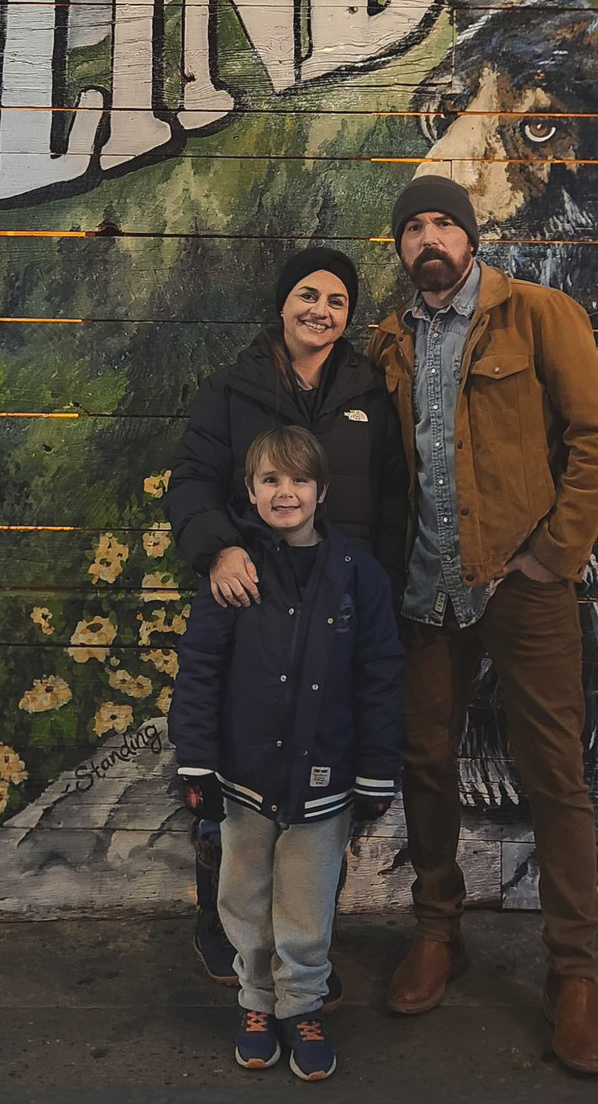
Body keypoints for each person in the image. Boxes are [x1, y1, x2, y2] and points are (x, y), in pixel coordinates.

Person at [366, 175, 598, 1075]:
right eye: (414, 228)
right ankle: (438, 933)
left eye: (444, 222)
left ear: (470, 236)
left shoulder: (539, 314)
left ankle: (574, 975)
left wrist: (553, 554)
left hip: (523, 585)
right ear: (401, 248)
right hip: (426, 591)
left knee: (555, 774)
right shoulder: (391, 340)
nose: (429, 238)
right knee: (425, 761)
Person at [166, 247, 407, 988]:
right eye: (308, 294)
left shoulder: (369, 392)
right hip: (252, 601)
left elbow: (394, 499)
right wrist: (218, 550)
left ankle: (305, 950)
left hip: (338, 608)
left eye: (336, 301)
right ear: (282, 302)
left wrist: (381, 595)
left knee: (319, 776)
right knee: (242, 766)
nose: (320, 311)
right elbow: (192, 481)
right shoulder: (233, 388)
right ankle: (229, 933)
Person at [168, 425, 403, 1080]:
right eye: (270, 479)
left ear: (322, 491)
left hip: (324, 781)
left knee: (306, 900)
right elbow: (200, 666)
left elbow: (381, 676)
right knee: (244, 894)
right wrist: (196, 760)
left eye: (299, 479)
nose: (285, 492)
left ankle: (301, 1004)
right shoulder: (234, 572)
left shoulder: (358, 574)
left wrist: (377, 770)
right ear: (249, 491)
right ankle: (256, 1002)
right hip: (244, 778)